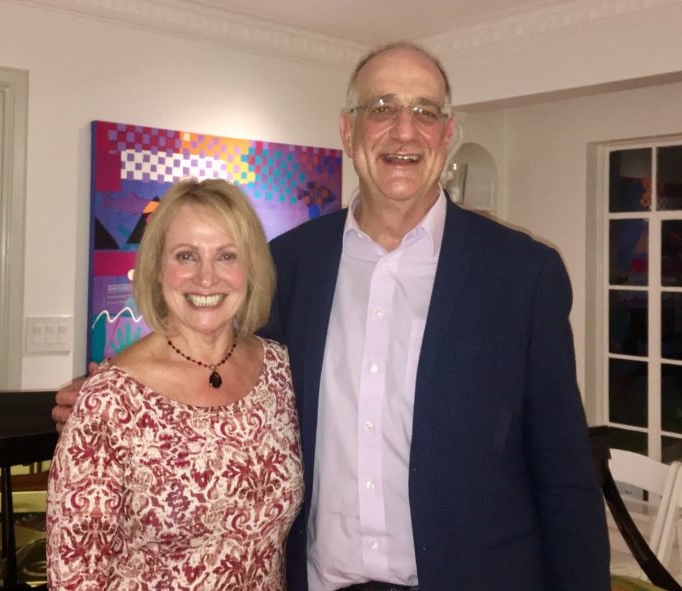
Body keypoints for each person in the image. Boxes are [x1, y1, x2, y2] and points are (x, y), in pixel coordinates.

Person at [54, 42, 611, 591]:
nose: (404, 131)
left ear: (446, 134)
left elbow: (565, 477)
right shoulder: (291, 264)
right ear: (348, 130)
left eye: (425, 112)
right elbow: (215, 355)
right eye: (382, 107)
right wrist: (113, 395)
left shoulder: (522, 276)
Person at [46, 178, 303, 590]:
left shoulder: (281, 371)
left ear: (250, 269)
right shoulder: (110, 400)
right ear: (156, 268)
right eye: (186, 256)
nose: (206, 278)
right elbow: (75, 574)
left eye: (226, 256)